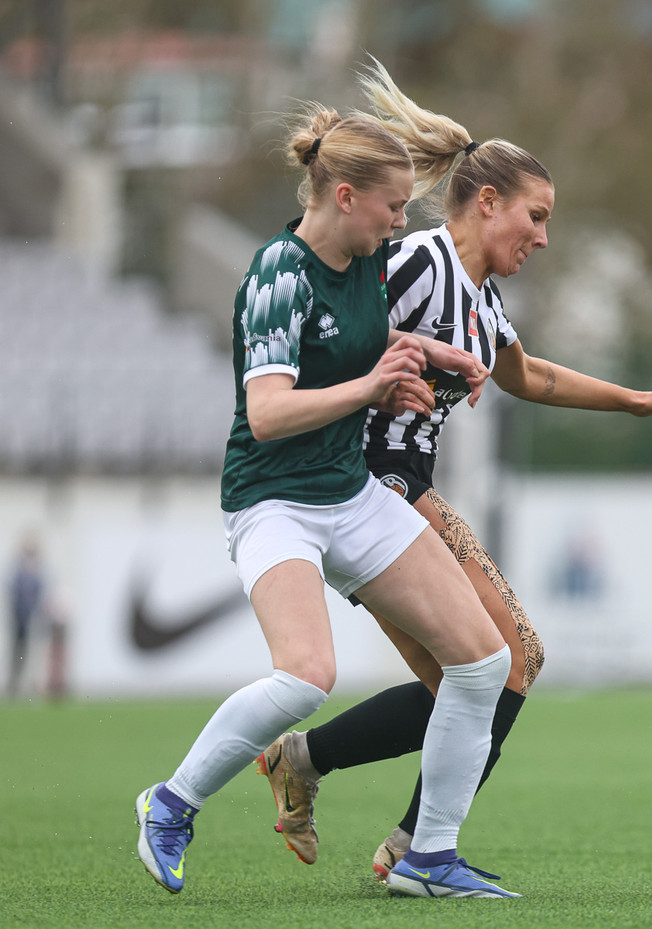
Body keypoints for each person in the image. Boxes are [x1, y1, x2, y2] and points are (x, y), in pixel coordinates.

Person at [256, 59, 652, 881]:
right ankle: (414, 848)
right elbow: (335, 323)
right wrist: (372, 386)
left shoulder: (483, 297)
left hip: (405, 486)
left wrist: (636, 401)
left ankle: (314, 766)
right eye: (537, 216)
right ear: (487, 202)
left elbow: (529, 376)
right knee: (510, 659)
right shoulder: (417, 261)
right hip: (370, 481)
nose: (543, 237)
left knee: (468, 681)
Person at [134, 100, 524, 899]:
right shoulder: (277, 274)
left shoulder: (367, 260)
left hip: (349, 492)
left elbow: (360, 339)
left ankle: (427, 856)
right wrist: (374, 387)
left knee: (485, 660)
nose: (400, 222)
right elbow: (269, 412)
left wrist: (428, 352)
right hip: (272, 500)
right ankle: (169, 804)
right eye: (392, 206)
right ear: (344, 196)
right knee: (308, 674)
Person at [7, 535, 45, 699]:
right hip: (20, 620)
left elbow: (40, 594)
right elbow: (14, 593)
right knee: (17, 651)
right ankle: (14, 683)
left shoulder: (38, 571)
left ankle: (32, 683)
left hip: (33, 619)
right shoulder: (19, 571)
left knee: (33, 651)